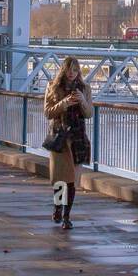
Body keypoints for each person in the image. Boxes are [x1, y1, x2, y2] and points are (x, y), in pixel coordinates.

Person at [42, 56, 92, 229]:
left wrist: (83, 101)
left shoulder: (85, 88)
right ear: (63, 70)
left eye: (75, 70)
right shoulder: (53, 86)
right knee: (59, 180)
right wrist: (64, 103)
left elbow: (89, 113)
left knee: (71, 180)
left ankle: (66, 216)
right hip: (60, 139)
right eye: (69, 69)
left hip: (77, 139)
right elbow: (48, 112)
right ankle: (57, 207)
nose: (72, 73)